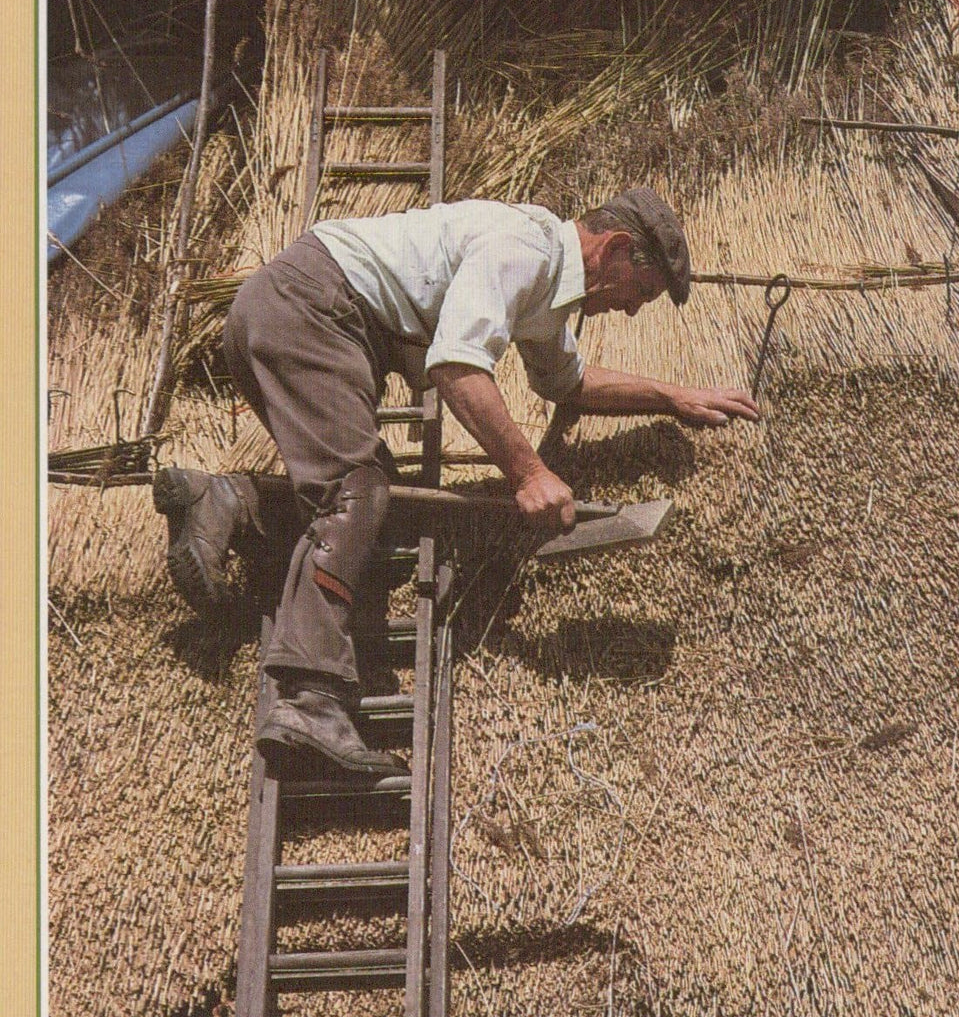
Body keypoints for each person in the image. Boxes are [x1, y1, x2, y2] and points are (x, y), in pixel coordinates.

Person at [154, 188, 759, 774]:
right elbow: (457, 364)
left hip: (292, 311)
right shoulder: (525, 248)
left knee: (372, 510)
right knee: (355, 491)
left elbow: (567, 384)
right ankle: (309, 699)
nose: (631, 309)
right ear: (619, 247)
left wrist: (673, 396)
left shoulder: (546, 292)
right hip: (310, 307)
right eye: (642, 292)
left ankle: (228, 499)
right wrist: (529, 473)